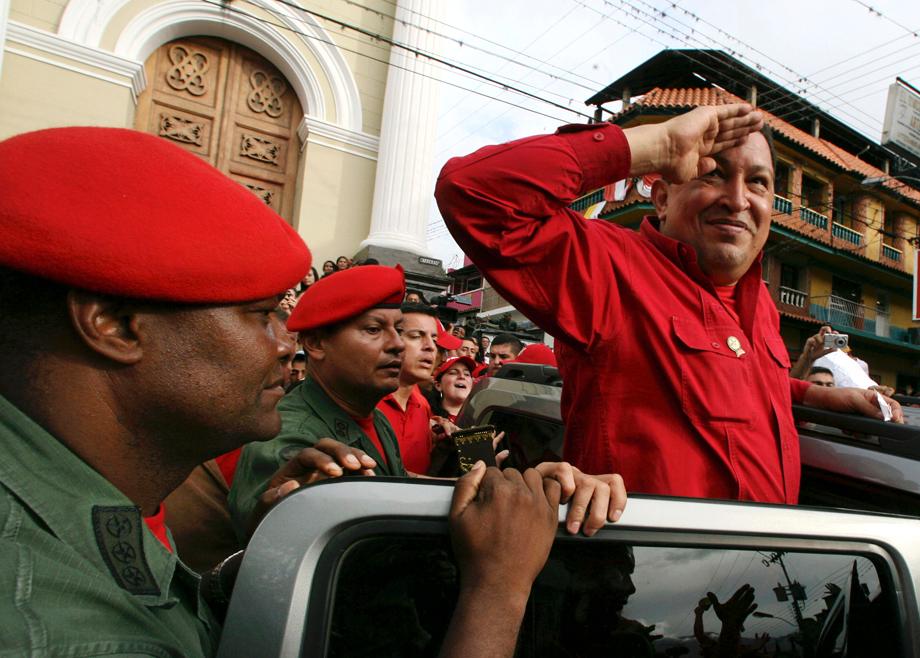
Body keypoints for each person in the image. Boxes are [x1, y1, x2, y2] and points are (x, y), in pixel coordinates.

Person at [436, 103, 902, 504]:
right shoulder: (611, 268)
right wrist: (653, 146)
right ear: (660, 197)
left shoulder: (756, 297)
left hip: (763, 588)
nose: (737, 199)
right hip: (652, 588)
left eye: (757, 182)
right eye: (712, 173)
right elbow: (472, 190)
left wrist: (821, 397)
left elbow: (747, 382)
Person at [229, 265, 627, 540]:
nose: (399, 344)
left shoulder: (371, 416)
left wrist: (524, 485)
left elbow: (401, 485)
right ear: (315, 345)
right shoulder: (289, 433)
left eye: (400, 331)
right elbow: (272, 532)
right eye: (373, 329)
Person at [377, 303, 439, 473]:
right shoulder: (364, 403)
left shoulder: (423, 406)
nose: (430, 346)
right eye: (416, 336)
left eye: (434, 339)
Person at [432, 356, 477, 422]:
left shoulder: (482, 418)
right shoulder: (427, 417)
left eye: (466, 374)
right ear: (438, 385)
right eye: (453, 373)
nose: (462, 376)